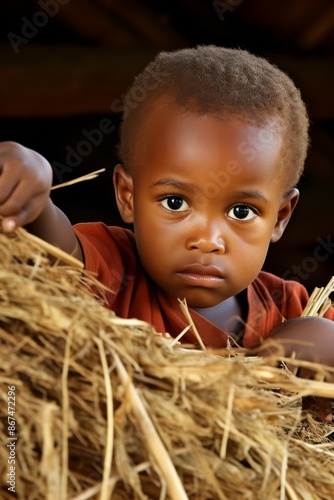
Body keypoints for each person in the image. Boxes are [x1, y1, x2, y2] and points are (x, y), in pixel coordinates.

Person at [0, 46, 333, 420]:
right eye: (175, 203)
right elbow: (54, 251)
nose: (207, 239)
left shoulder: (290, 308)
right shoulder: (113, 271)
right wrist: (34, 192)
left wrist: (321, 337)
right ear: (127, 196)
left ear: (280, 217)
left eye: (242, 211)